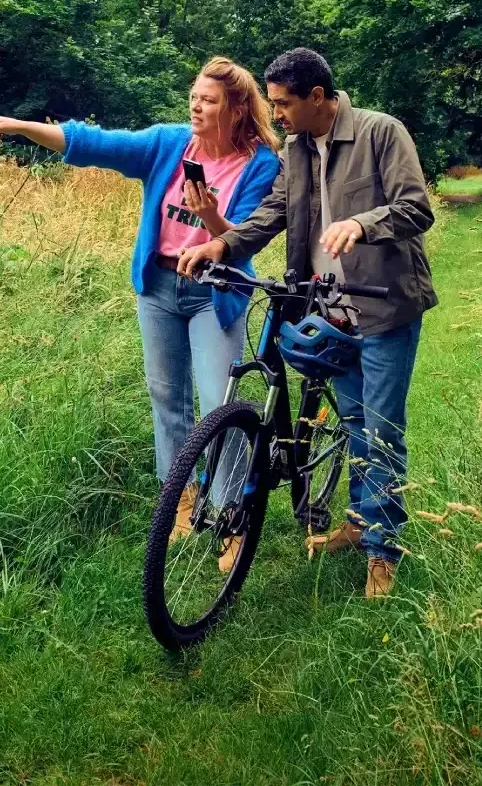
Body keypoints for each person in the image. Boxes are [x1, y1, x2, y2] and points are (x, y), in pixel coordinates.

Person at [0, 57, 281, 572]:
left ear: (237, 107)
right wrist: (20, 127)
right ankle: (179, 499)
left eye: (209, 100)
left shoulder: (261, 162)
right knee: (166, 397)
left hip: (213, 292)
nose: (196, 106)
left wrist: (210, 219)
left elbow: (242, 238)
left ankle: (231, 515)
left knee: (217, 402)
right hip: (158, 287)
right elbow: (94, 143)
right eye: (195, 96)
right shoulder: (168, 143)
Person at [179, 47, 437, 599]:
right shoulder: (296, 150)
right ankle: (360, 521)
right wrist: (221, 243)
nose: (276, 115)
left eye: (283, 103)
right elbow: (273, 212)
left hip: (385, 306)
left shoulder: (381, 133)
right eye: (273, 103)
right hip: (329, 309)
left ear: (318, 97)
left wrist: (363, 225)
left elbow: (417, 207)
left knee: (380, 432)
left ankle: (384, 551)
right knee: (351, 422)